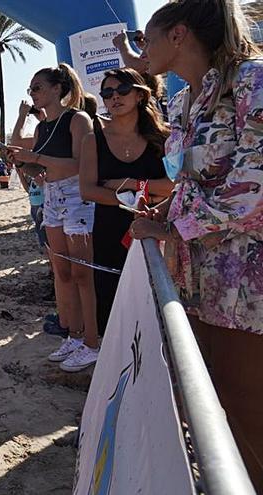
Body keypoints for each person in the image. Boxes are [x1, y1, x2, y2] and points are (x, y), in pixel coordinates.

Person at [131, 0, 263, 486]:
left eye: (146, 38)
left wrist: (173, 228)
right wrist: (168, 211)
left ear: (179, 34)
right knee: (219, 406)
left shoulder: (253, 80)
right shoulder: (185, 99)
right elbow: (194, 180)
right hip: (197, 282)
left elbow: (256, 185)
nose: (140, 51)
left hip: (249, 292)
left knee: (250, 416)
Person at [7, 63, 97, 372]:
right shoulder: (43, 127)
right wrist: (28, 165)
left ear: (57, 89)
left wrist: (35, 159)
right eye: (30, 90)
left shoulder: (78, 119)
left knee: (83, 273)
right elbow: (39, 165)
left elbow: (81, 165)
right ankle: (73, 334)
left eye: (37, 88)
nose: (32, 94)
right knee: (62, 271)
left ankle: (92, 341)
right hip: (53, 197)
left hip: (77, 197)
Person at [78, 69, 171, 341]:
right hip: (109, 233)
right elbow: (88, 190)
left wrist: (130, 183)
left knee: (155, 303)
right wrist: (141, 196)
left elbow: (173, 186)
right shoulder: (93, 139)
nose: (114, 97)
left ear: (140, 95)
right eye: (107, 93)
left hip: (154, 228)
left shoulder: (162, 137)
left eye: (122, 90)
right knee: (112, 302)